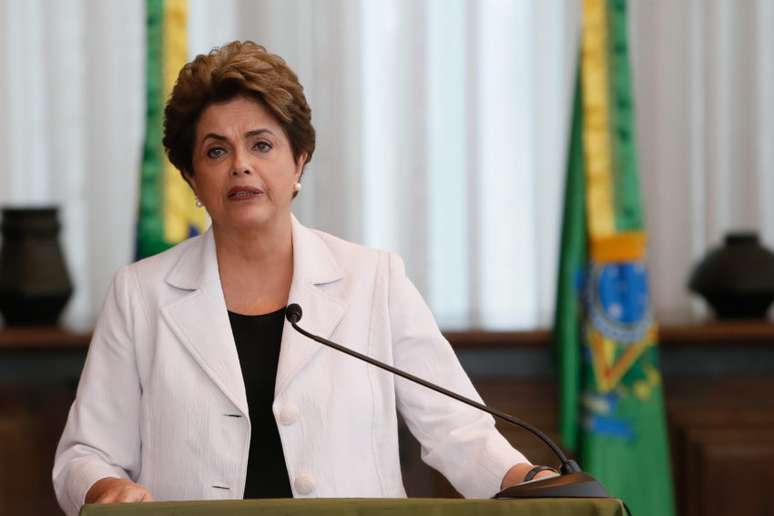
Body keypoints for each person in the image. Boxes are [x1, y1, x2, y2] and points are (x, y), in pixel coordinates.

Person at [52, 41, 556, 516]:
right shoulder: (140, 294)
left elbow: (458, 430)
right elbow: (86, 451)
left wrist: (528, 480)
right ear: (191, 179)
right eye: (216, 151)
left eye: (262, 144)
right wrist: (103, 487)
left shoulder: (372, 280)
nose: (241, 166)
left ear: (299, 161)